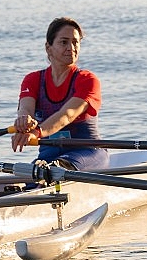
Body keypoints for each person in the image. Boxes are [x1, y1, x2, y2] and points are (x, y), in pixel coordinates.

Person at [11, 16, 109, 171]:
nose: (71, 47)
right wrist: (24, 122)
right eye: (64, 42)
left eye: (75, 42)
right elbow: (25, 109)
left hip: (87, 153)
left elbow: (67, 115)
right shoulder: (33, 80)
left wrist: (37, 132)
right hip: (48, 156)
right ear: (48, 48)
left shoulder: (87, 80)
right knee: (33, 174)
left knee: (55, 169)